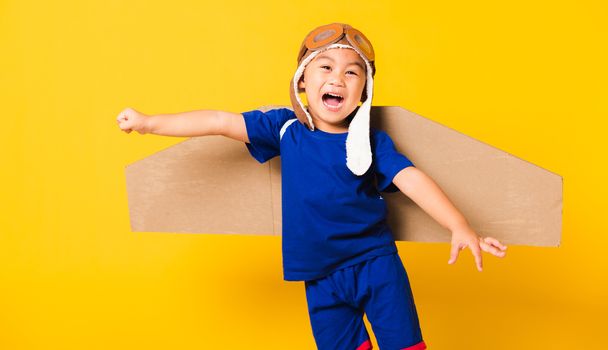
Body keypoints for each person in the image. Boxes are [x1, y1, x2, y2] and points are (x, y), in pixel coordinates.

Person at [116, 22, 507, 350]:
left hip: (376, 264)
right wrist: (151, 123)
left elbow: (412, 179)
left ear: (363, 93)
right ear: (303, 79)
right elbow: (219, 121)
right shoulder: (284, 129)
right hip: (319, 275)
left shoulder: (369, 141)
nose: (338, 77)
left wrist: (458, 225)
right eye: (325, 67)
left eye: (352, 72)